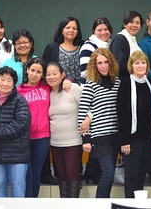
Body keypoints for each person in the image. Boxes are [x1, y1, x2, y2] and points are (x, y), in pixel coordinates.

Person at [78, 48, 121, 198]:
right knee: (108, 173)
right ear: (94, 66)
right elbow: (82, 113)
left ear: (111, 63)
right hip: (99, 136)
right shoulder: (91, 84)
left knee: (109, 173)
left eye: (105, 62)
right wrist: (86, 139)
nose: (103, 66)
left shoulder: (117, 83)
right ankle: (100, 204)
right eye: (99, 63)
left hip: (115, 135)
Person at [0, 66, 31, 197]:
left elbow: (20, 126)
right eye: (2, 79)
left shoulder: (20, 101)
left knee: (18, 189)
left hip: (18, 154)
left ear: (14, 83)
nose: (5, 83)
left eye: (9, 80)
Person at [116, 51, 151, 198]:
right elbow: (122, 114)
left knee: (141, 175)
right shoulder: (126, 85)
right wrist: (124, 141)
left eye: (143, 62)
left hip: (146, 139)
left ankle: (139, 204)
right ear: (131, 66)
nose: (140, 65)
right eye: (136, 63)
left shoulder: (148, 84)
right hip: (131, 140)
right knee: (131, 176)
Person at [46, 62, 82, 198]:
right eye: (48, 74)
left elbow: (89, 106)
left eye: (55, 73)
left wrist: (88, 120)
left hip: (73, 141)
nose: (51, 77)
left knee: (72, 175)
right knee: (61, 176)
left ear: (62, 75)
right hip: (55, 142)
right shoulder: (48, 93)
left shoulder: (72, 88)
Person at [17, 57, 51, 197]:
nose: (34, 74)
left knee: (35, 174)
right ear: (27, 70)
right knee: (26, 173)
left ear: (42, 74)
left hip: (42, 138)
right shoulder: (18, 90)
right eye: (32, 70)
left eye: (38, 72)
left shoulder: (47, 88)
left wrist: (67, 82)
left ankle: (32, 202)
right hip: (24, 138)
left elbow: (63, 80)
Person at [42, 17, 84, 84]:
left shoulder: (84, 46)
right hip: (59, 91)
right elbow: (44, 70)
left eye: (74, 28)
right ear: (62, 30)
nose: (71, 30)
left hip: (83, 90)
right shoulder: (52, 48)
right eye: (67, 27)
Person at [110, 10, 144, 81]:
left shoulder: (133, 40)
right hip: (124, 83)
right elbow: (119, 64)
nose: (134, 25)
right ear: (125, 24)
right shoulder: (119, 40)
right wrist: (138, 68)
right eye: (131, 22)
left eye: (138, 23)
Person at [79, 17, 113, 83]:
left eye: (106, 29)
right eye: (99, 30)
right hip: (92, 87)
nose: (103, 33)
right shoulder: (88, 46)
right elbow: (85, 72)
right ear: (94, 31)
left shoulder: (112, 45)